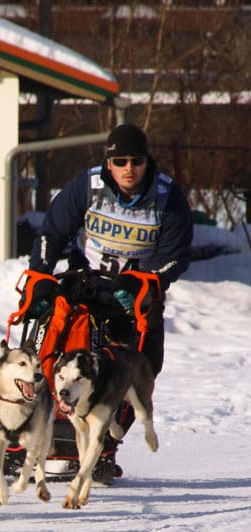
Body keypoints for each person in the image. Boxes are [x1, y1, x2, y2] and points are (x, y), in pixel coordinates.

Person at [25, 123, 193, 481]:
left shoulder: (168, 196)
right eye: (120, 161)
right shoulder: (88, 186)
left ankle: (102, 446)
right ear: (109, 163)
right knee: (48, 345)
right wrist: (40, 275)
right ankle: (26, 436)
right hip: (87, 284)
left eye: (136, 160)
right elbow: (52, 232)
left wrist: (147, 282)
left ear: (147, 161)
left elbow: (176, 255)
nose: (128, 168)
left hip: (137, 296)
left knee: (143, 369)